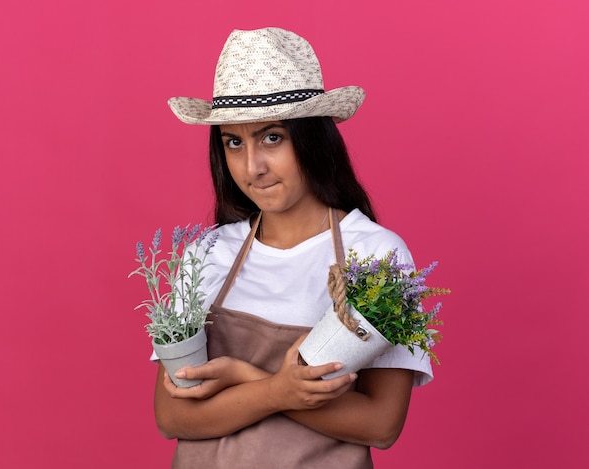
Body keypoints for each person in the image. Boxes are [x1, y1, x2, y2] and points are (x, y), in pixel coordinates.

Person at [154, 27, 433, 468]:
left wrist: (249, 380)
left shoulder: (377, 258)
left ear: (313, 139)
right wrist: (276, 390)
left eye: (272, 137)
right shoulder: (205, 255)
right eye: (233, 142)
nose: (253, 167)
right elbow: (171, 416)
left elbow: (381, 424)